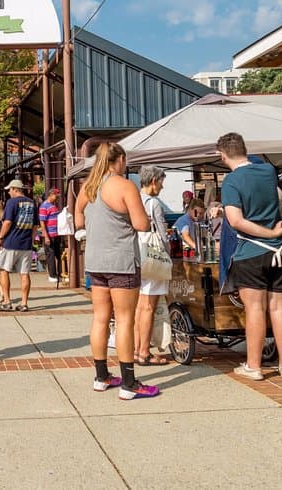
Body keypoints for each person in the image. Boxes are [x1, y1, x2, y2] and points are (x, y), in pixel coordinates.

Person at [74, 142, 160, 399]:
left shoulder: (88, 187)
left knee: (100, 318)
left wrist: (91, 228)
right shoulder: (125, 186)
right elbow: (141, 224)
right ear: (120, 159)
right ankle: (129, 382)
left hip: (95, 261)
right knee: (124, 319)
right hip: (121, 261)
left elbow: (78, 216)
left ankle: (101, 376)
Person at [217, 132, 282, 381]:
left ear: (222, 155)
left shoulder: (231, 182)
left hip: (251, 251)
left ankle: (254, 365)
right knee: (279, 307)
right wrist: (274, 233)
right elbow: (253, 161)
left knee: (255, 309)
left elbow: (236, 221)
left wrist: (267, 232)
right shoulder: (268, 172)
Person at [134, 166, 170, 365]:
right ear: (154, 180)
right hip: (153, 256)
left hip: (136, 255)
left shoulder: (134, 199)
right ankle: (145, 351)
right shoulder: (153, 203)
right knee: (149, 307)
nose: (162, 186)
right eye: (162, 182)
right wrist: (168, 254)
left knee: (139, 307)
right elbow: (163, 234)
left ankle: (136, 348)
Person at [0, 179, 38, 312]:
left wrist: (0, 237)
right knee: (24, 273)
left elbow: (7, 222)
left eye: (10, 190)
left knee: (3, 270)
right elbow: (35, 225)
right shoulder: (31, 203)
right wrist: (31, 240)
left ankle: (7, 301)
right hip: (26, 244)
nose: (9, 192)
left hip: (11, 242)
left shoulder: (11, 202)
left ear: (15, 189)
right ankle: (24, 303)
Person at [38, 188, 63, 283]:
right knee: (51, 255)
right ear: (51, 195)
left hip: (56, 233)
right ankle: (52, 275)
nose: (57, 198)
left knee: (58, 254)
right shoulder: (44, 206)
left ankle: (60, 273)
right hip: (50, 234)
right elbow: (42, 222)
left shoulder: (53, 205)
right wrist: (46, 236)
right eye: (56, 196)